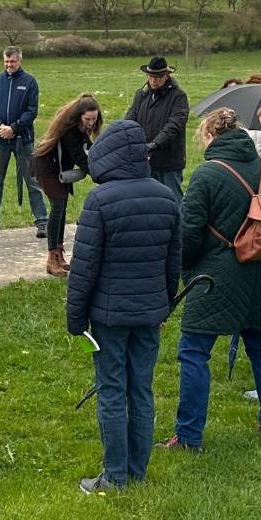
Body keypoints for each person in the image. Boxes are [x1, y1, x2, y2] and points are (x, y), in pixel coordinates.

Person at [65, 119, 181, 492]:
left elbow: (84, 267)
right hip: (149, 312)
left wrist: (75, 318)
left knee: (113, 389)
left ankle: (115, 476)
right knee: (141, 389)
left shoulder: (99, 200)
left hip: (109, 316)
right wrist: (164, 306)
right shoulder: (166, 197)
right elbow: (172, 262)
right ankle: (136, 471)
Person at [166, 109, 261, 451]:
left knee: (194, 353)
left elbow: (188, 233)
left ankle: (189, 436)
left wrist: (185, 271)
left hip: (214, 276)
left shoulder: (207, 174)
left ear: (210, 137)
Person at [0, 47, 46, 237]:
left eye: (13, 62)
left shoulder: (30, 82)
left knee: (32, 180)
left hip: (23, 140)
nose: (9, 65)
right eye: (6, 62)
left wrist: (14, 128)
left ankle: (42, 221)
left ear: (20, 61)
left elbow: (32, 111)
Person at [33, 94, 102, 278]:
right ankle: (51, 258)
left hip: (60, 169)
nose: (90, 123)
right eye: (87, 119)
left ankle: (59, 252)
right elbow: (80, 157)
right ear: (79, 116)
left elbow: (91, 149)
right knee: (57, 207)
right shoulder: (70, 130)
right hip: (47, 167)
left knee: (62, 208)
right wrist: (100, 175)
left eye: (94, 119)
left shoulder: (81, 129)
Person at [127, 56, 190, 197]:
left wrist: (154, 144)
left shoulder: (178, 96)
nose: (154, 80)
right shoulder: (141, 95)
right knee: (147, 202)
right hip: (144, 161)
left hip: (168, 162)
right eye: (151, 76)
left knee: (173, 201)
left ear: (167, 75)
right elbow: (130, 120)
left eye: (159, 76)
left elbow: (174, 125)